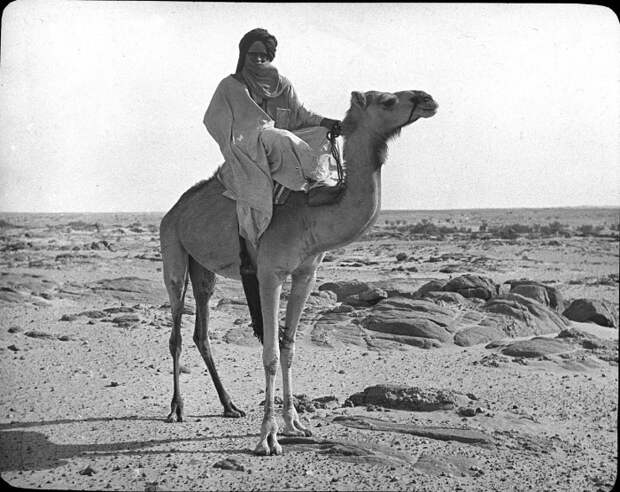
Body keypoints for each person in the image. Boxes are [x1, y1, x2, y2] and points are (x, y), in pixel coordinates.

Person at [204, 28, 342, 248]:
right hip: (250, 141)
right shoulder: (231, 85)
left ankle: (318, 185)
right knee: (281, 137)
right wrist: (234, 139)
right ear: (243, 55)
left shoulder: (282, 84)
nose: (259, 59)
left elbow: (301, 114)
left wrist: (328, 122)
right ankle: (314, 179)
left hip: (282, 138)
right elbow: (212, 119)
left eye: (264, 55)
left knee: (320, 134)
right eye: (253, 54)